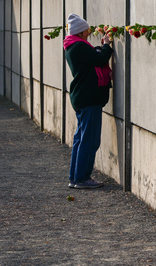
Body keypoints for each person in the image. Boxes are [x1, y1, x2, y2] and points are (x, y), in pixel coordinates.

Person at [63, 13, 113, 189]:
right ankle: (83, 178)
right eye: (86, 30)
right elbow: (99, 59)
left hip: (82, 96)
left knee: (80, 139)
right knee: (90, 140)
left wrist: (99, 49)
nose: (88, 32)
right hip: (89, 97)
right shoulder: (79, 46)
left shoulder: (73, 46)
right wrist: (107, 45)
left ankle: (75, 177)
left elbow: (91, 60)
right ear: (80, 31)